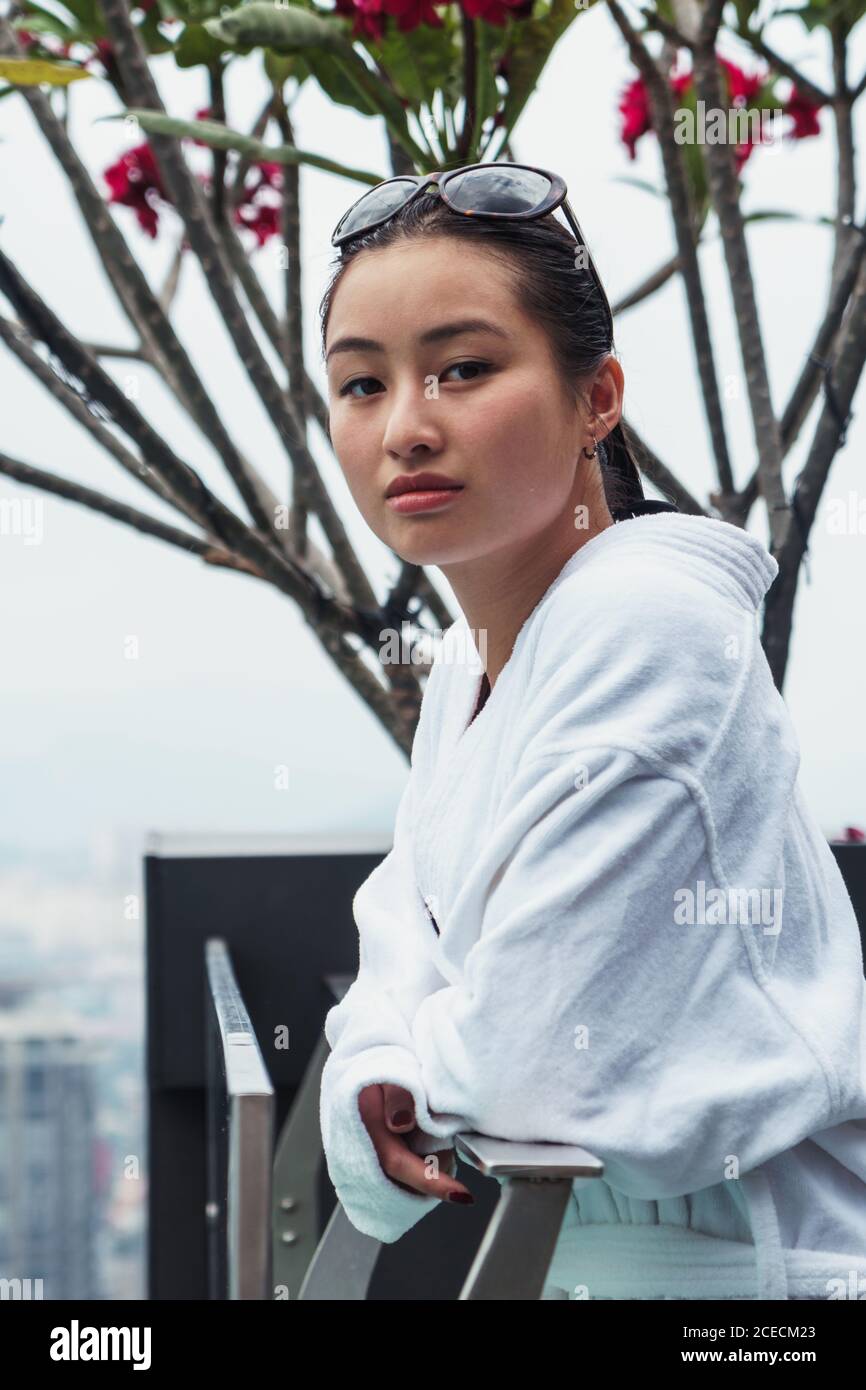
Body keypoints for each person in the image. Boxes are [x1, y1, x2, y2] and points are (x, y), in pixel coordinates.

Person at [316, 163, 866, 1300]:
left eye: (462, 369)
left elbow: (525, 1063)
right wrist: (374, 1056)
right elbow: (398, 932)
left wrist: (400, 1059)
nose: (406, 427)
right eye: (362, 384)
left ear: (595, 396)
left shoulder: (645, 628)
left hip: (758, 1286)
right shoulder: (480, 657)